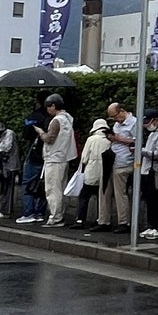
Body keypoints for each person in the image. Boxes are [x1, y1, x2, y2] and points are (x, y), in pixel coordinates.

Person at [35, 94, 77, 227]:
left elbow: (49, 138)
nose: (47, 110)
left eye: (48, 107)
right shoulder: (68, 119)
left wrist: (40, 132)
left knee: (52, 189)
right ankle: (60, 215)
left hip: (54, 158)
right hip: (64, 157)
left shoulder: (56, 121)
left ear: (53, 106)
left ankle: (55, 217)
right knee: (61, 188)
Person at [137, 110, 158, 239]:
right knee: (149, 200)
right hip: (147, 169)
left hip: (155, 170)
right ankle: (152, 225)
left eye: (148, 122)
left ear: (155, 120)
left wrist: (141, 150)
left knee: (155, 199)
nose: (146, 125)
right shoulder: (152, 134)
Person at [105, 103, 136, 233]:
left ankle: (124, 222)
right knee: (108, 192)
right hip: (114, 160)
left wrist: (118, 138)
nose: (115, 120)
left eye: (115, 116)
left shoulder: (134, 123)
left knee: (120, 194)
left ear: (122, 111)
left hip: (125, 161)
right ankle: (106, 220)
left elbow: (137, 141)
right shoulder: (117, 124)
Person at [76, 117, 112, 228]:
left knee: (84, 196)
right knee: (102, 198)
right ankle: (100, 219)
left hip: (91, 170)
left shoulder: (91, 139)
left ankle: (80, 220)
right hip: (105, 172)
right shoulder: (109, 139)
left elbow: (84, 157)